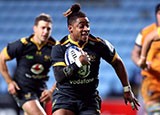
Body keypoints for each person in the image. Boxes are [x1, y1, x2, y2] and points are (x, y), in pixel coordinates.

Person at [51, 3, 140, 115]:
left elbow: (117, 63)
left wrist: (127, 89)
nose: (86, 29)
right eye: (81, 26)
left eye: (88, 25)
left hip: (89, 99)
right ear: (70, 28)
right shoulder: (60, 47)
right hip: (65, 97)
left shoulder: (98, 44)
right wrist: (78, 62)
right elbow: (59, 76)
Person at [0, 13, 56, 115]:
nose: (45, 32)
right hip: (22, 90)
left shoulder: (55, 47)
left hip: (41, 91)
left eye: (48, 29)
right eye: (43, 28)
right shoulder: (22, 44)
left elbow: (64, 72)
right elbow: (1, 58)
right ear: (35, 28)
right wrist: (9, 82)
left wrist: (52, 90)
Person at [131, 3, 160, 115]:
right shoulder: (145, 32)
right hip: (151, 80)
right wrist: (140, 62)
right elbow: (134, 54)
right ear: (155, 15)